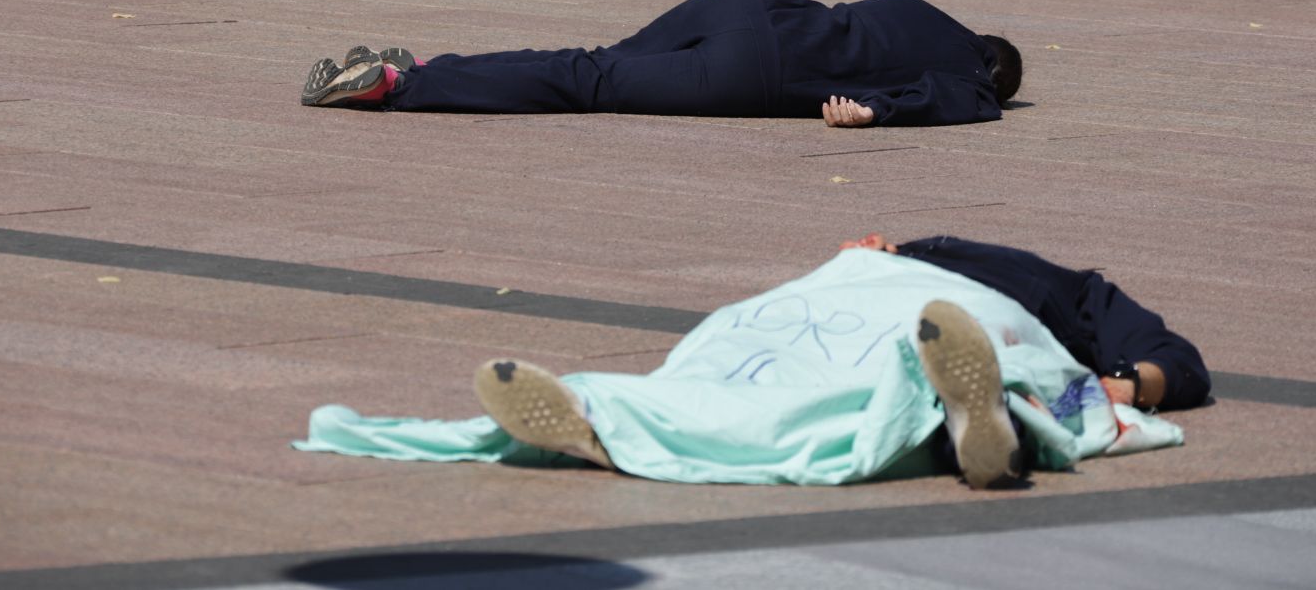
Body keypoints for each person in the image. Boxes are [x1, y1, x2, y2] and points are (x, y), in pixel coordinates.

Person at [295, 235, 1210, 489]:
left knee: (895, 364)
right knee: (747, 359)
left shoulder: (1076, 292)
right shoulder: (907, 245)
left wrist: (1125, 383)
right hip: (853, 295)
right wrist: (866, 258)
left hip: (967, 320)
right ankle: (597, 412)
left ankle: (979, 417)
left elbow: (1182, 362)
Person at [300, 0, 1023, 127]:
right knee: (589, 82)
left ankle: (431, 67)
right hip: (752, 74)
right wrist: (875, 111)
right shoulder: (973, 81)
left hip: (744, 5)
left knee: (593, 57)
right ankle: (396, 85)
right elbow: (951, 98)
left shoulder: (924, 9)